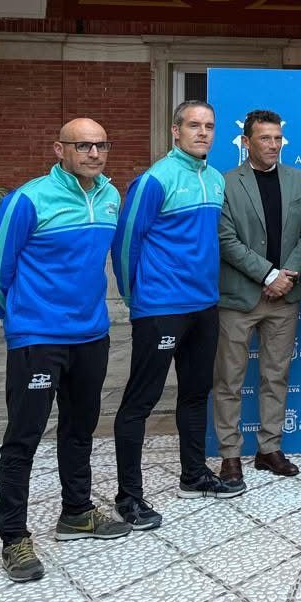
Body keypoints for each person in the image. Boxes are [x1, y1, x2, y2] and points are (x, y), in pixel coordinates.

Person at [0, 119, 130, 582]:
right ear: (59, 150)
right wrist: (24, 320)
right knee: (23, 437)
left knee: (80, 428)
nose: (93, 152)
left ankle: (77, 512)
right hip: (38, 338)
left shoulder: (110, 196)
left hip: (91, 335)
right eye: (82, 145)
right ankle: (14, 537)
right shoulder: (28, 199)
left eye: (101, 144)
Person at [112, 99, 239, 530]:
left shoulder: (216, 179)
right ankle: (129, 496)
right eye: (194, 126)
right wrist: (136, 300)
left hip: (204, 305)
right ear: (175, 131)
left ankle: (193, 474)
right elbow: (125, 244)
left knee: (195, 393)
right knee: (140, 402)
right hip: (161, 307)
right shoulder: (154, 180)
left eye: (209, 126)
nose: (202, 133)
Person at [213, 109, 301, 485]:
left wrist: (285, 276)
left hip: (284, 298)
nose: (273, 146)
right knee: (229, 379)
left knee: (276, 375)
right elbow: (225, 240)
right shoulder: (224, 183)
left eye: (277, 139)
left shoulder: (300, 181)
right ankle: (229, 455)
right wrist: (268, 274)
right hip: (239, 298)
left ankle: (269, 448)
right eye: (264, 139)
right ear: (246, 142)